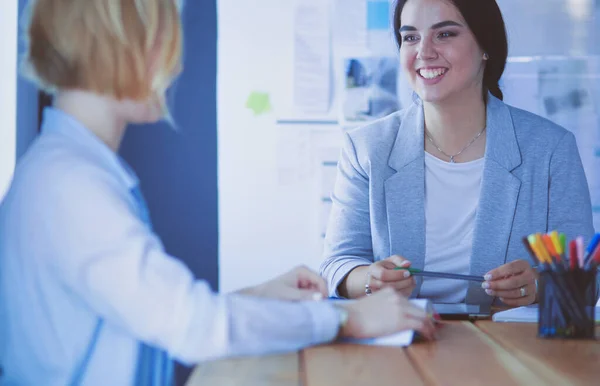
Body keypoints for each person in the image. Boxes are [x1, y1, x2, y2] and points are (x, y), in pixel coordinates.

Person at [0, 1, 436, 385]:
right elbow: (191, 327)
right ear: (119, 46)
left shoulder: (64, 170)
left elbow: (152, 311)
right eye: (163, 43)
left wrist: (261, 297)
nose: (172, 66)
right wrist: (349, 317)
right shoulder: (73, 187)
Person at [320, 0, 596, 307]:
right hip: (400, 342)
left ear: (485, 47)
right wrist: (370, 279)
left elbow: (586, 279)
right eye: (410, 37)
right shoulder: (367, 148)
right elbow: (338, 265)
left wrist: (540, 284)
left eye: (445, 34)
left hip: (507, 347)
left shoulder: (550, 148)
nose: (423, 52)